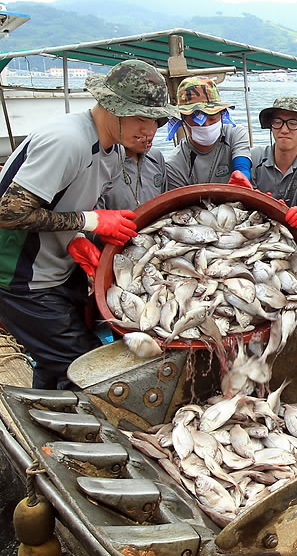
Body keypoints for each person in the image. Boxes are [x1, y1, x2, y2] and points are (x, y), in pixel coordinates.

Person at [0, 59, 178, 390]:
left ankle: (45, 418)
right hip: (19, 278)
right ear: (112, 107)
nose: (150, 131)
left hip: (57, 270)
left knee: (54, 365)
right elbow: (8, 212)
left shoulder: (114, 150)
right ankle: (82, 438)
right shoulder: (68, 141)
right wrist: (91, 221)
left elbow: (67, 200)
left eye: (156, 120)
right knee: (86, 370)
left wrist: (77, 237)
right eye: (141, 117)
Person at [165, 76, 252, 188]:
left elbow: (242, 165)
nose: (206, 125)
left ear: (221, 115)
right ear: (183, 121)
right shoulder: (175, 164)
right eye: (197, 121)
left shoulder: (235, 134)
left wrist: (241, 177)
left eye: (212, 119)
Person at [251, 97, 297, 228]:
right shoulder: (255, 157)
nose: (284, 130)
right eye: (277, 122)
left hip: (294, 230)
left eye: (293, 123)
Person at [95, 134, 167, 210]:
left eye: (154, 123)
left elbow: (165, 202)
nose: (150, 133)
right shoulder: (104, 166)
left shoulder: (156, 158)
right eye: (141, 122)